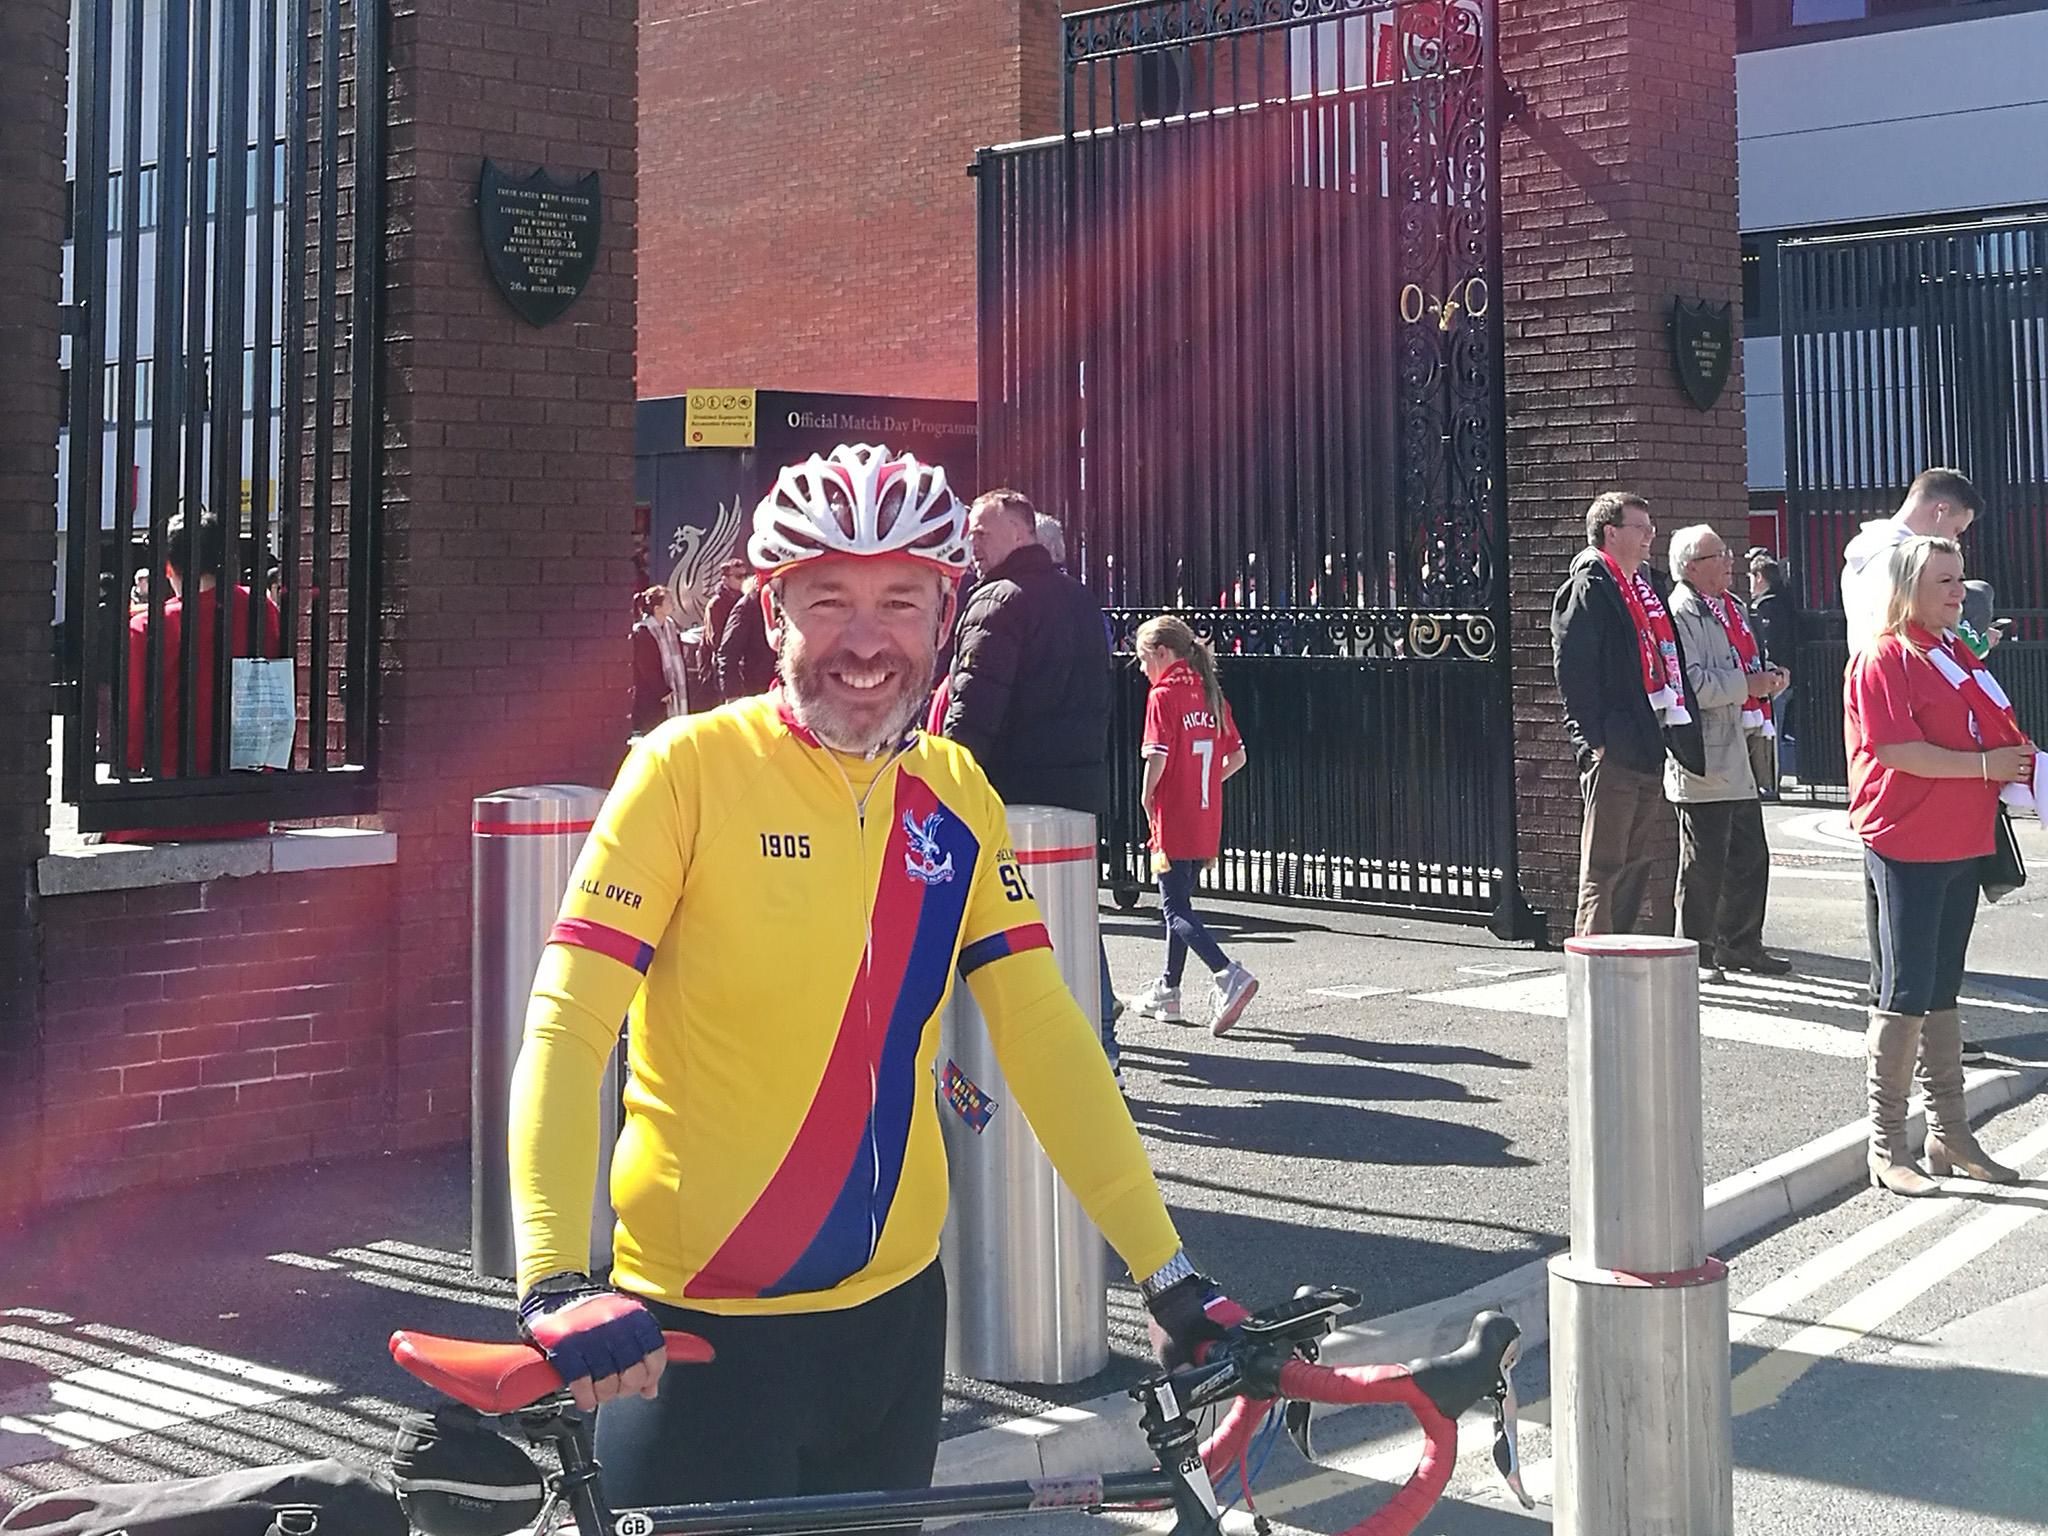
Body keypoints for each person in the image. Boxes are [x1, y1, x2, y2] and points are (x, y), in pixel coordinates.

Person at [506, 443, 1242, 1511]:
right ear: (771, 614)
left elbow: (1044, 1036)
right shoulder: (684, 772)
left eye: (900, 600)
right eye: (827, 600)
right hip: (700, 1339)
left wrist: (1164, 1270)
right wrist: (552, 1279)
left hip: (894, 1337)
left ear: (946, 616)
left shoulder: (956, 794)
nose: (865, 640)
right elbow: (568, 1029)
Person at [1845, 535, 2031, 1194]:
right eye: (1945, 582)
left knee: (1942, 987)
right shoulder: (1883, 656)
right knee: (1904, 991)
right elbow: (1896, 748)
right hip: (1907, 839)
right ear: (1908, 588)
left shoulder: (1953, 651)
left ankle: (1950, 1135)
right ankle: (1888, 1145)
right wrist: (1985, 767)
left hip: (1964, 837)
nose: (1959, 592)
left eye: (1959, 579)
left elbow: (1991, 728)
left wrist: (2018, 764)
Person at [941, 489, 1120, 1056]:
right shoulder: (1080, 600)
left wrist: (948, 778)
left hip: (1010, 788)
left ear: (1020, 533)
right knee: (1073, 920)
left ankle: (994, 1056)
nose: (972, 542)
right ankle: (1101, 1046)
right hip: (1074, 788)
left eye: (982, 531)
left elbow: (974, 703)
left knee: (999, 920)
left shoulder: (997, 600)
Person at [1552, 492, 1706, 936]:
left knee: (1637, 861)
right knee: (1604, 863)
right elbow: (1574, 671)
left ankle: (1619, 950)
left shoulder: (1649, 590)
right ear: (1611, 533)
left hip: (1648, 740)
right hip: (1614, 745)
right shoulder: (1588, 589)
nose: (1650, 536)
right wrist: (1592, 741)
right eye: (1641, 528)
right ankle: (1595, 959)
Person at [107, 510, 285, 843]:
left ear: (169, 568)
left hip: (166, 803)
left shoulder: (148, 627)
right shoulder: (263, 611)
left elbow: (133, 726)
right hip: (245, 799)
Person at [1662, 526, 1792, 981]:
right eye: (1719, 555)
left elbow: (1744, 662)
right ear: (1692, 567)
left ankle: (1742, 945)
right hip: (1705, 754)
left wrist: (1769, 679)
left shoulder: (1733, 608)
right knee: (1703, 862)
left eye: (1728, 552)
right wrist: (1746, 687)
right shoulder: (1680, 612)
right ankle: (1695, 951)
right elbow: (1691, 683)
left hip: (1738, 749)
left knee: (1750, 855)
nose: (1730, 561)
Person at [1123, 616, 1258, 1036]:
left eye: (1144, 660)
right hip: (1204, 813)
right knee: (1179, 900)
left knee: (1174, 907)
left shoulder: (1163, 696)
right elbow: (1237, 758)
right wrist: (1205, 783)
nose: (1143, 670)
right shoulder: (1209, 692)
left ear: (1163, 654)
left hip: (1174, 815)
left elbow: (1157, 757)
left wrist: (1147, 796)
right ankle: (1169, 987)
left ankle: (1226, 972)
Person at [1840, 468, 1983, 654]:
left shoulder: (1869, 550)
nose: (1954, 540)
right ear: (1941, 511)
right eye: (1956, 530)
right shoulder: (1904, 561)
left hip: (1873, 671)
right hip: (1907, 672)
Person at [629, 586, 695, 735]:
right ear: (657, 608)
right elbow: (646, 667)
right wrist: (663, 691)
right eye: (669, 601)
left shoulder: (671, 627)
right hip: (653, 696)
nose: (672, 604)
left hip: (673, 693)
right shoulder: (643, 632)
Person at [713, 569, 777, 702]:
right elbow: (728, 652)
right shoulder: (748, 605)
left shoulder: (788, 602)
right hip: (759, 688)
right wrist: (732, 694)